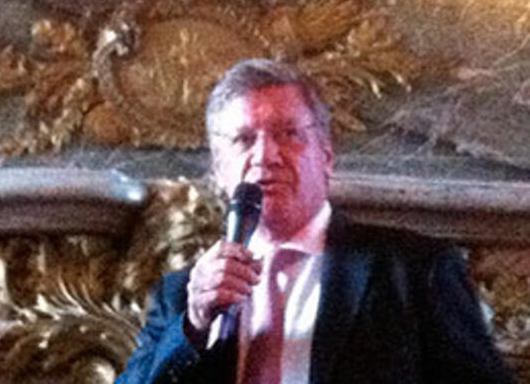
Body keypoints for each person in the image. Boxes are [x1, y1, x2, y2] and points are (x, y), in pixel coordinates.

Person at [115, 59, 516, 384]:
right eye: (243, 140)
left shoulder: (415, 270)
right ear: (218, 170)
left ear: (326, 156)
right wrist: (194, 326)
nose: (265, 156)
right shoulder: (183, 295)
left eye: (288, 134)